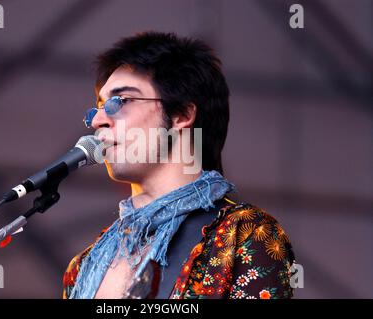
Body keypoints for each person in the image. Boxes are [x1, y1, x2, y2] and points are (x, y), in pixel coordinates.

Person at [62, 32, 296, 299]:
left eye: (121, 101)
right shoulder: (83, 266)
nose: (98, 121)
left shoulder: (245, 235)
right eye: (99, 107)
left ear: (181, 115)